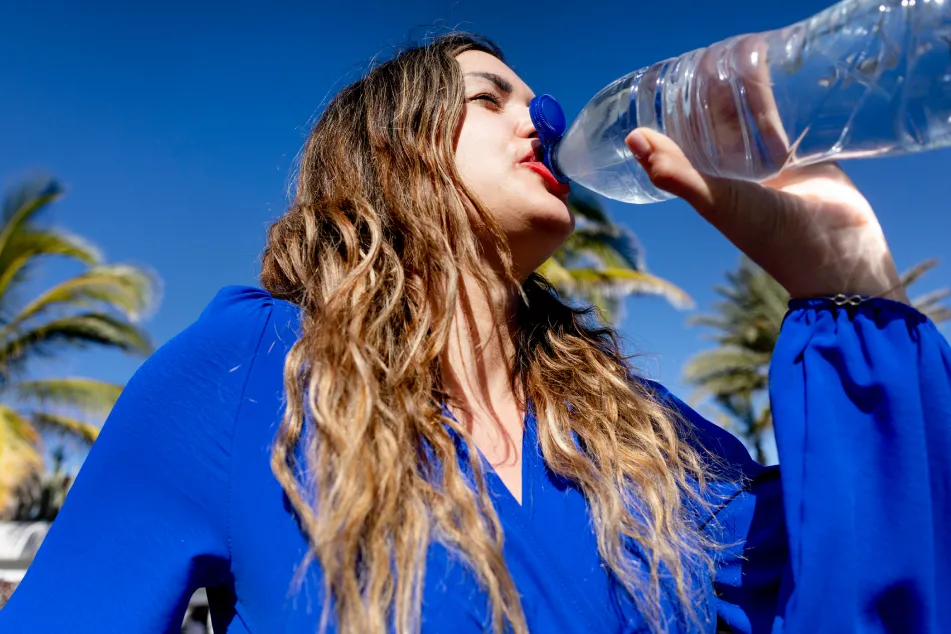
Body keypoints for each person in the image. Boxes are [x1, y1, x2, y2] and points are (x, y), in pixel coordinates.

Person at [0, 32, 948, 634]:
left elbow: (867, 589)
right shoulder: (247, 377)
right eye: (489, 95)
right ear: (389, 150)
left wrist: (838, 272)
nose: (542, 118)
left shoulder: (646, 441)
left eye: (535, 100)